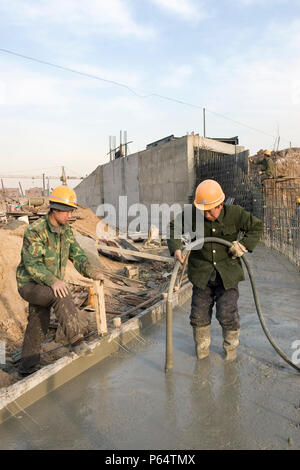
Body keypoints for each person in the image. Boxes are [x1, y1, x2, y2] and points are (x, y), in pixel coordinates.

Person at [167, 179, 263, 361]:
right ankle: (202, 354)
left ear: (221, 204)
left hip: (227, 274)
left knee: (227, 313)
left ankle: (230, 353)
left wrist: (243, 245)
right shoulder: (193, 214)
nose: (208, 215)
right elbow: (173, 227)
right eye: (204, 211)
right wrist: (176, 248)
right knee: (198, 315)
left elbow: (257, 226)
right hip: (201, 274)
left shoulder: (235, 214)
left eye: (211, 210)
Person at [16, 185, 104, 377]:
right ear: (55, 209)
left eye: (71, 211)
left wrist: (93, 273)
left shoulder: (66, 231)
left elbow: (78, 255)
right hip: (29, 284)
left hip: (47, 284)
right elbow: (32, 265)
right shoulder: (35, 230)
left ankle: (26, 368)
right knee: (61, 295)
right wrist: (54, 281)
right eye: (67, 211)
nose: (70, 215)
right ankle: (76, 341)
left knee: (39, 321)